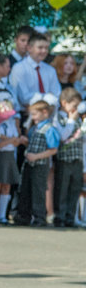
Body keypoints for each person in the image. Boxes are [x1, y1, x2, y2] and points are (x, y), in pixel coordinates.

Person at [18, 95, 59, 226]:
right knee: (26, 189)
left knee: (38, 190)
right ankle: (24, 216)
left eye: (35, 114)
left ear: (45, 112)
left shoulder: (50, 129)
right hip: (29, 164)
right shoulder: (34, 128)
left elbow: (53, 150)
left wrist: (36, 156)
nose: (33, 117)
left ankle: (39, 218)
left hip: (40, 165)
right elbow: (33, 143)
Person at [0, 96, 22, 226]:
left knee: (7, 186)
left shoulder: (12, 123)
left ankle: (2, 215)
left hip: (9, 155)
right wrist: (9, 140)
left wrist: (13, 141)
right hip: (0, 156)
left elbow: (16, 141)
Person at [53, 88, 84, 227]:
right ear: (64, 103)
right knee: (62, 189)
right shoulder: (58, 117)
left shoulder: (78, 120)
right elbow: (62, 136)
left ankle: (70, 217)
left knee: (75, 189)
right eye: (74, 106)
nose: (76, 110)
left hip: (77, 159)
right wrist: (71, 121)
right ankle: (59, 216)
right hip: (64, 159)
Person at [10, 33, 60, 111]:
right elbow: (24, 97)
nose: (44, 51)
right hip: (26, 114)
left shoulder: (50, 70)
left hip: (48, 112)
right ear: (29, 48)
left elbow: (56, 93)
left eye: (46, 48)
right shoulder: (19, 68)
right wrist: (47, 97)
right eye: (40, 48)